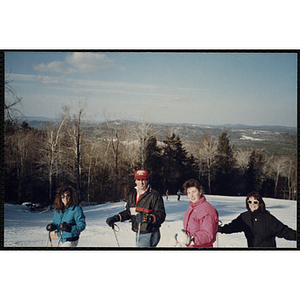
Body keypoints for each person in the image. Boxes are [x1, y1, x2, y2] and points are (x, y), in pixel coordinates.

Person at [106, 169, 166, 247]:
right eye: (138, 180)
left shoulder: (154, 195)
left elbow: (161, 214)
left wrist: (149, 218)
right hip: (139, 231)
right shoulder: (133, 194)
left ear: (147, 180)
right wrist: (116, 218)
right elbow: (129, 212)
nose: (141, 183)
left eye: (143, 180)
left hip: (149, 232)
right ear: (135, 181)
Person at [218, 191, 296, 248]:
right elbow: (232, 227)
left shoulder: (268, 219)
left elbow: (285, 231)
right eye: (249, 202)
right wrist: (219, 229)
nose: (252, 204)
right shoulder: (244, 217)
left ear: (260, 203)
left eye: (255, 202)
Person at [174, 179, 219, 247]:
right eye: (189, 193)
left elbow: (208, 235)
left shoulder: (207, 210)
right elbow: (190, 230)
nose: (191, 195)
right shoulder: (191, 209)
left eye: (193, 192)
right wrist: (178, 237)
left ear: (200, 191)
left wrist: (191, 240)